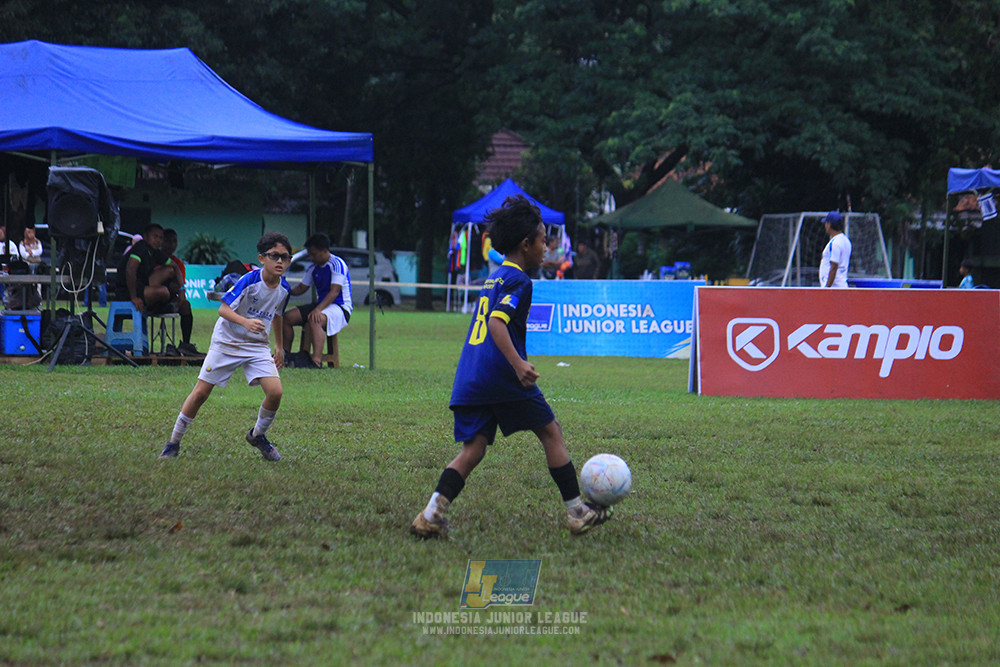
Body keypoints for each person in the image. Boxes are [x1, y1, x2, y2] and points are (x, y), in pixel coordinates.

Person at [409, 194, 610, 539]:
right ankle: (577, 512)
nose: (547, 247)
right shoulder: (520, 281)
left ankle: (430, 514)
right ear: (526, 243)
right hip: (502, 374)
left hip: (472, 375)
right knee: (551, 431)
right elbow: (497, 324)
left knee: (473, 449)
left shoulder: (495, 277)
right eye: (544, 240)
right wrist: (518, 365)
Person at [159, 232, 292, 461]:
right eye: (274, 256)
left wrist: (279, 346)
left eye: (285, 257)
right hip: (227, 341)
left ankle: (257, 435)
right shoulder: (249, 280)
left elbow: (278, 314)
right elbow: (223, 309)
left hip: (257, 346)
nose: (280, 261)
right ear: (262, 258)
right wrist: (245, 322)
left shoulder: (284, 289)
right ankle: (173, 443)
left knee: (275, 392)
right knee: (201, 393)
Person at [282, 233, 352, 369]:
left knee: (315, 319)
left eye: (314, 254)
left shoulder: (337, 264)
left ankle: (316, 361)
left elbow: (334, 292)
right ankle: (285, 355)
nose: (311, 258)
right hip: (321, 304)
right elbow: (302, 288)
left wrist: (318, 310)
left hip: (339, 306)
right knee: (287, 318)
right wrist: (286, 291)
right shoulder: (313, 268)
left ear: (324, 251)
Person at [116, 224, 181, 314]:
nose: (158, 240)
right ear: (146, 236)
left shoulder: (155, 252)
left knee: (170, 271)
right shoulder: (140, 247)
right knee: (164, 292)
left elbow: (175, 267)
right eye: (155, 236)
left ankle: (165, 303)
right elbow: (130, 270)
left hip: (142, 284)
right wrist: (134, 297)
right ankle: (157, 307)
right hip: (127, 289)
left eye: (161, 238)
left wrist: (182, 291)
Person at [161, 228, 198, 354]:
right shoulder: (154, 258)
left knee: (186, 305)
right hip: (154, 298)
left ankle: (186, 344)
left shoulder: (178, 263)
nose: (171, 245)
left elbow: (178, 286)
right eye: (167, 241)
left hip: (171, 299)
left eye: (174, 241)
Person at [819, 211, 852, 288]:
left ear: (829, 225)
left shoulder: (836, 243)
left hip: (834, 287)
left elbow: (834, 267)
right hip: (841, 284)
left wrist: (827, 288)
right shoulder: (846, 240)